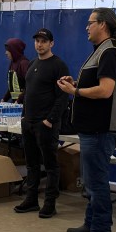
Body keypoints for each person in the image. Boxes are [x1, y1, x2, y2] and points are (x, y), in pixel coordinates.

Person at [57, 8, 116, 232]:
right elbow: (96, 85)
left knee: (97, 183)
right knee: (90, 181)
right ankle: (90, 225)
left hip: (101, 129)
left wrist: (74, 92)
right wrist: (76, 84)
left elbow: (106, 91)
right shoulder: (100, 52)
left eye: (90, 23)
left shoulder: (110, 52)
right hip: (91, 129)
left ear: (103, 25)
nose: (86, 27)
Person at [13, 28, 70, 219]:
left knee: (50, 164)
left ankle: (50, 203)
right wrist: (23, 116)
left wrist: (49, 120)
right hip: (28, 122)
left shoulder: (58, 66)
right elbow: (28, 93)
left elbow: (63, 98)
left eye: (44, 41)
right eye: (37, 40)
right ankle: (31, 200)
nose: (40, 44)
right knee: (32, 164)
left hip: (45, 124)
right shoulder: (32, 64)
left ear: (51, 43)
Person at [2, 38, 31, 103]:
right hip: (16, 103)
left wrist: (19, 100)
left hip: (25, 105)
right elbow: (13, 86)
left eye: (8, 50)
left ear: (14, 51)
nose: (6, 53)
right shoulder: (12, 63)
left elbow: (30, 85)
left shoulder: (24, 63)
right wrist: (4, 99)